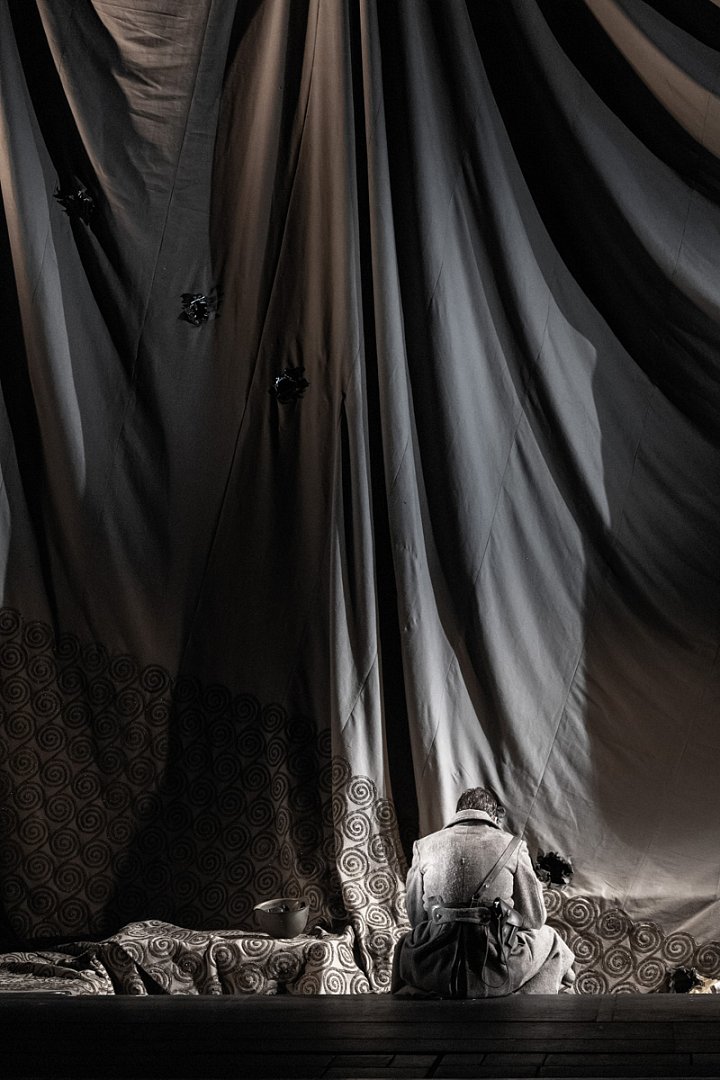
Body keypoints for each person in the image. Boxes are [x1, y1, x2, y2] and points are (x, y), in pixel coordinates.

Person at [392, 787, 575, 996]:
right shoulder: (514, 846)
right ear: (494, 817)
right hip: (495, 970)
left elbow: (417, 919)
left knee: (404, 943)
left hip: (434, 968)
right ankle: (521, 1004)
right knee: (551, 939)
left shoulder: (422, 846)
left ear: (458, 813)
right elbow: (533, 919)